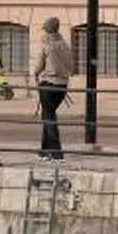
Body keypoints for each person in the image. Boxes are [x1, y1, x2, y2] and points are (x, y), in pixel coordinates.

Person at [33, 17, 76, 159]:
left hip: (48, 84)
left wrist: (36, 73)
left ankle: (56, 151)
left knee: (49, 116)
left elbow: (39, 66)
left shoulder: (47, 45)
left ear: (47, 30)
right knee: (48, 115)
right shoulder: (65, 45)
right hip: (62, 86)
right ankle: (44, 150)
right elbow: (71, 67)